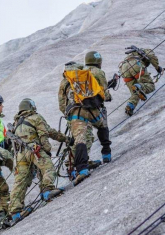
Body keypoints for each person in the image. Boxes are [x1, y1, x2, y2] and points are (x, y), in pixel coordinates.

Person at [58, 51, 115, 186]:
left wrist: (69, 117)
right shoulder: (86, 74)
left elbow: (62, 104)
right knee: (102, 126)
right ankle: (106, 153)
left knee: (80, 140)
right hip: (92, 109)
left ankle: (82, 170)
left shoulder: (64, 82)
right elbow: (102, 94)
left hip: (76, 113)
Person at [9, 98, 70, 223]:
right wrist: (59, 143)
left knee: (20, 181)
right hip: (33, 150)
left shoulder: (16, 123)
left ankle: (15, 211)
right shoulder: (35, 117)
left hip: (20, 155)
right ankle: (47, 190)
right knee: (48, 168)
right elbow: (46, 133)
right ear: (31, 107)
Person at [118, 45, 164, 116]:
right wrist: (158, 68)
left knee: (135, 91)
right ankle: (139, 87)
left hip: (123, 68)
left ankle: (130, 107)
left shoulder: (132, 53)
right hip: (136, 64)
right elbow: (152, 57)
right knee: (150, 85)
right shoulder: (146, 50)